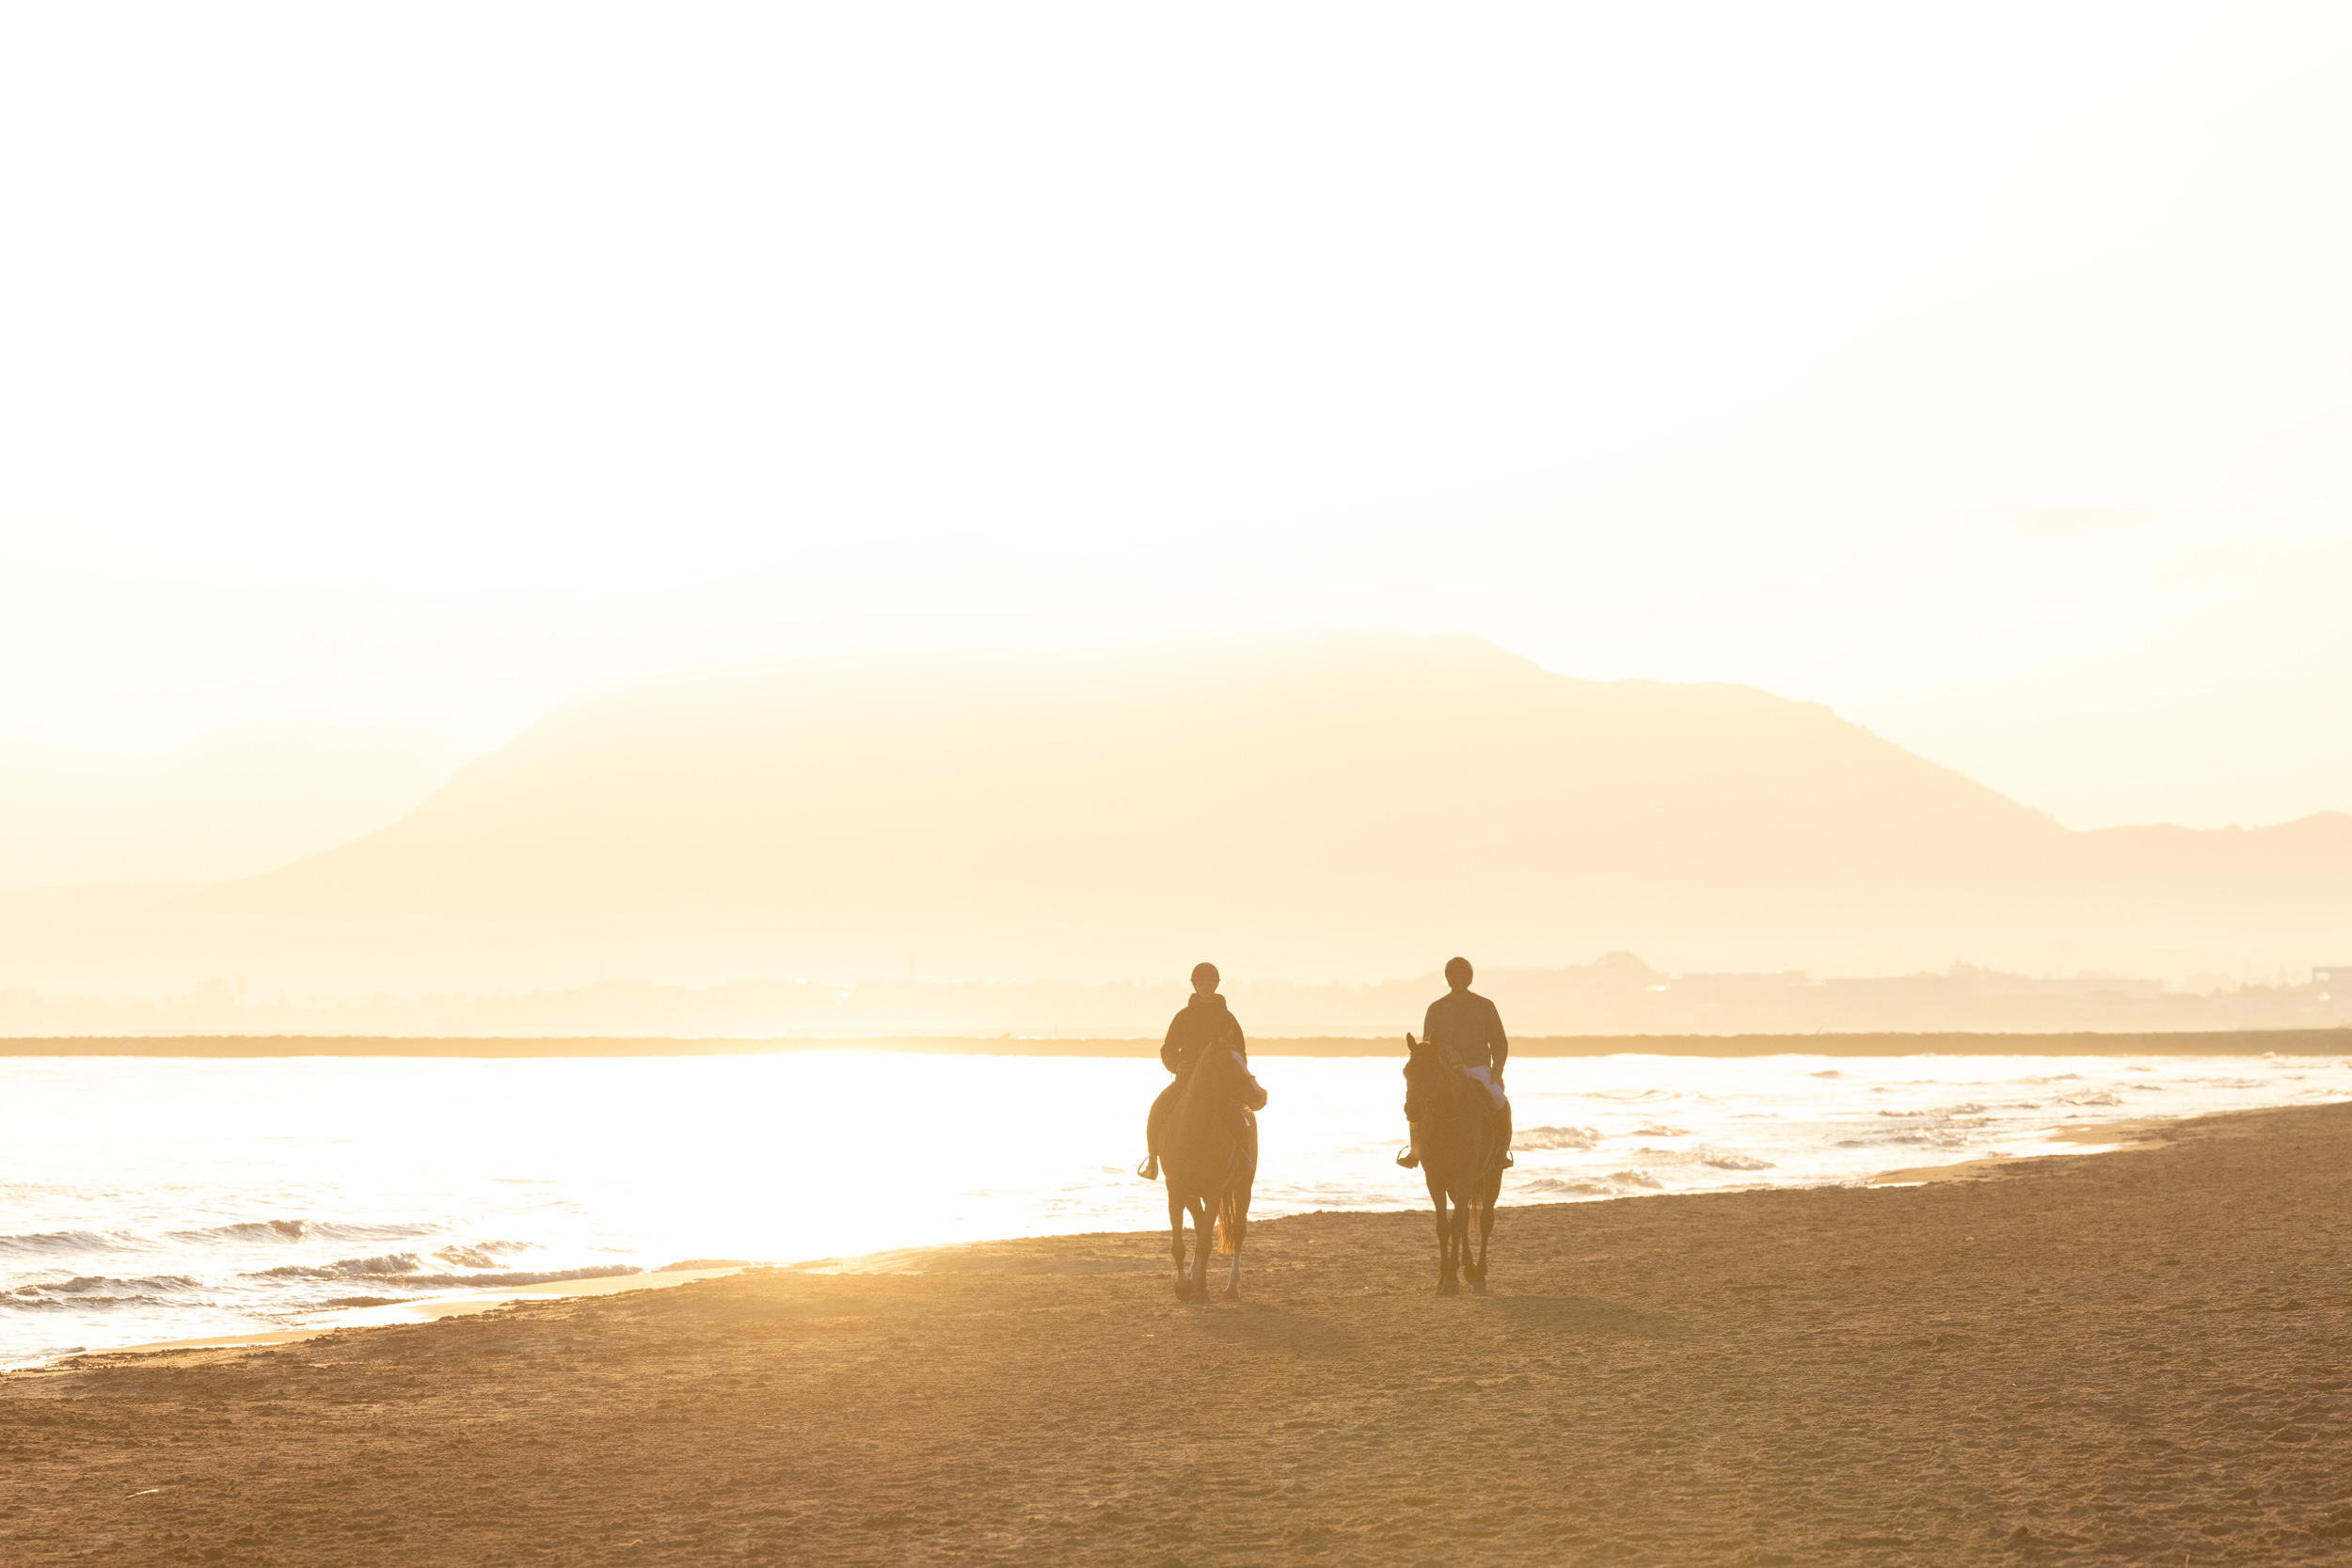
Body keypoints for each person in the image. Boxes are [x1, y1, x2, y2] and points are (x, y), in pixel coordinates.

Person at [1397, 955, 1514, 1170]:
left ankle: (1501, 1151)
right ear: (1447, 979)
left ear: (1470, 978)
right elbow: (1428, 1044)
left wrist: (1497, 1072)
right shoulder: (1436, 1008)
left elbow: (1499, 1042)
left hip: (1478, 1067)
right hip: (1446, 1069)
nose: (1457, 979)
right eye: (1452, 975)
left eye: (1462, 975)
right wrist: (1448, 1053)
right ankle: (1416, 1152)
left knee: (1500, 1100)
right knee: (1419, 1101)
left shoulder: (1486, 1006)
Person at [1136, 961, 1249, 1180]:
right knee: (1157, 1110)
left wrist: (1230, 1074)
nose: (1205, 987)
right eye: (1200, 983)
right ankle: (1153, 1160)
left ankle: (1244, 1158)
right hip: (1186, 1082)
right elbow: (1167, 1049)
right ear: (1194, 985)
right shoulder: (1183, 1017)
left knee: (1240, 1117)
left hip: (1220, 1087)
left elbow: (1241, 1053)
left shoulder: (1228, 1019)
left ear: (1216, 985)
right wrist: (1177, 1065)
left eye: (1209, 983)